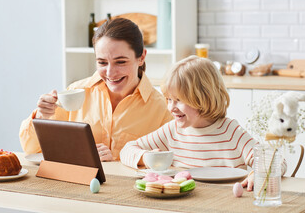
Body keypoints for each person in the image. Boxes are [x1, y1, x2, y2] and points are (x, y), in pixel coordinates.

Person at [120, 56, 287, 191]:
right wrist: (146, 158)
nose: (171, 107)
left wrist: (260, 174)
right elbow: (127, 149)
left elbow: (276, 161)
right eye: (169, 99)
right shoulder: (171, 131)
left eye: (178, 100)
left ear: (203, 98)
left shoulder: (230, 132)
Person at [19, 18, 173, 161]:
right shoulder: (75, 92)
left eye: (120, 62)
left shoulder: (162, 108)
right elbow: (31, 149)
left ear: (141, 57)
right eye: (102, 62)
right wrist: (41, 116)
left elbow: (168, 163)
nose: (110, 73)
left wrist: (119, 159)